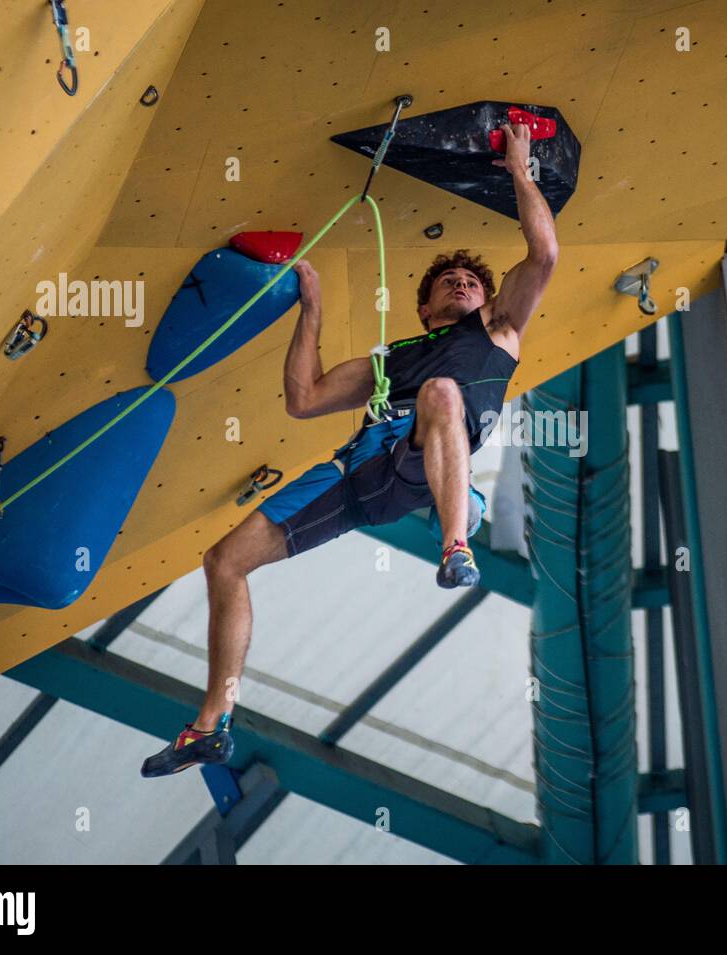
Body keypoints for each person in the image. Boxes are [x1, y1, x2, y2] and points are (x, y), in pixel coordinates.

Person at [141, 122, 557, 777]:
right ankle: (209, 723)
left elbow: (544, 255)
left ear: (489, 300)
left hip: (425, 465)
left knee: (444, 395)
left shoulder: (499, 329)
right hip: (355, 476)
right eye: (446, 280)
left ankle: (456, 545)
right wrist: (310, 310)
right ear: (422, 307)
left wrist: (519, 168)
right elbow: (303, 398)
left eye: (470, 282)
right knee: (223, 560)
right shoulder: (390, 359)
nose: (460, 284)